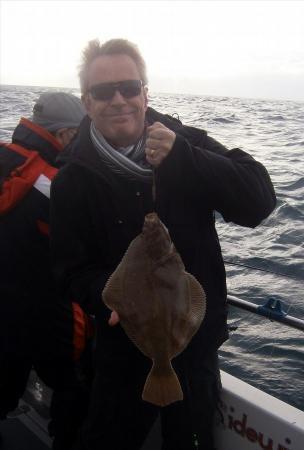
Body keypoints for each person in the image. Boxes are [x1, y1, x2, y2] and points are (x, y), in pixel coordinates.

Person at [50, 39, 276, 450]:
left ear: (145, 93)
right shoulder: (71, 177)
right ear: (86, 102)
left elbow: (259, 201)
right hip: (119, 353)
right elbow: (69, 272)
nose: (118, 99)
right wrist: (110, 301)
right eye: (103, 92)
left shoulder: (185, 143)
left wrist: (184, 158)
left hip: (194, 352)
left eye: (130, 88)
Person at [0, 92, 92, 450]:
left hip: (4, 315)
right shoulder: (58, 186)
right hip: (47, 319)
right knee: (78, 387)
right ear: (68, 135)